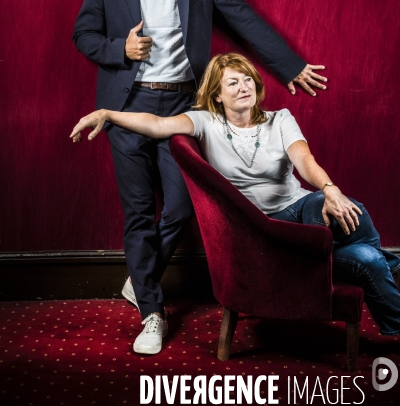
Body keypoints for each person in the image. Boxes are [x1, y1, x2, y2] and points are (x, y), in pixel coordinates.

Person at [73, 0, 328, 355]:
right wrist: (119, 49)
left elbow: (241, 16)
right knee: (137, 213)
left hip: (184, 107)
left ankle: (141, 276)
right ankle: (152, 311)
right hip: (128, 105)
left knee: (183, 204)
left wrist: (290, 66)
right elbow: (82, 35)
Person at [71, 52, 400, 354]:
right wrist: (107, 113)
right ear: (217, 94)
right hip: (263, 228)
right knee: (367, 258)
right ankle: (388, 264)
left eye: (248, 79)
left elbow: (304, 159)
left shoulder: (280, 119)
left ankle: (391, 302)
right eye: (233, 82)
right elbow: (157, 125)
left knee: (348, 207)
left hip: (302, 206)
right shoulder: (205, 122)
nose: (244, 87)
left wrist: (330, 189)